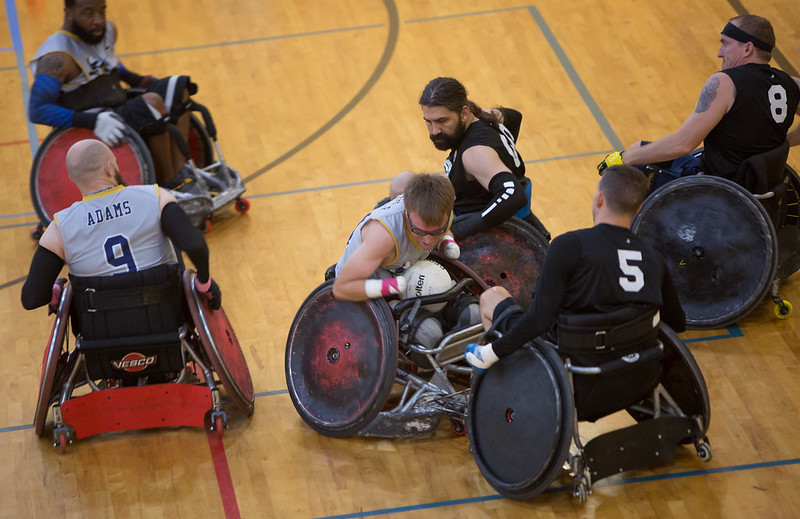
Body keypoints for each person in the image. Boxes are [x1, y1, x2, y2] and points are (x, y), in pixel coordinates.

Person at [465, 165, 686, 372]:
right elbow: (677, 323)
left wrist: (490, 353)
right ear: (638, 208)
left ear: (600, 199)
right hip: (633, 367)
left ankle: (507, 375)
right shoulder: (654, 258)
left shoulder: (569, 245)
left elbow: (538, 320)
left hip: (574, 366)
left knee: (493, 296)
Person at [598, 15, 800, 190]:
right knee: (638, 148)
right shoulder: (792, 84)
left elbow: (682, 144)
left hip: (717, 186)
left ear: (747, 48)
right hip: (762, 185)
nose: (719, 52)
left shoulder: (725, 82)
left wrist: (623, 159)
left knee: (626, 172)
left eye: (725, 43)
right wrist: (782, 144)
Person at [21, 139, 220, 311]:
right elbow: (195, 244)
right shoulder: (155, 197)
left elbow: (32, 299)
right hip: (165, 317)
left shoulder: (59, 227)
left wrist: (56, 291)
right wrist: (203, 282)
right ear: (109, 168)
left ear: (74, 179)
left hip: (98, 331)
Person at [28, 0, 198, 189]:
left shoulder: (105, 31)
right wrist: (93, 121)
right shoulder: (56, 58)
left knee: (177, 87)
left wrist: (148, 83)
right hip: (92, 125)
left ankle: (183, 174)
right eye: (89, 13)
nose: (98, 20)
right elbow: (37, 110)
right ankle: (171, 184)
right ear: (69, 12)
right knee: (152, 103)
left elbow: (111, 66)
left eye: (102, 11)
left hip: (118, 107)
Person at [416, 77, 550, 241]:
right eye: (428, 122)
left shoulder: (476, 153)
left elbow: (513, 194)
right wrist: (497, 154)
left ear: (464, 113)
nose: (434, 131)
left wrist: (459, 230)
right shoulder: (485, 117)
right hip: (519, 221)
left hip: (494, 239)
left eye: (442, 121)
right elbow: (514, 116)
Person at [332, 173, 459, 302]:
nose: (427, 240)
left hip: (399, 271)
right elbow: (341, 288)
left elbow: (440, 229)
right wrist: (391, 286)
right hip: (358, 288)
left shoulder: (442, 210)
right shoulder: (382, 236)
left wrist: (445, 240)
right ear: (406, 213)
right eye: (418, 231)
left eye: (437, 231)